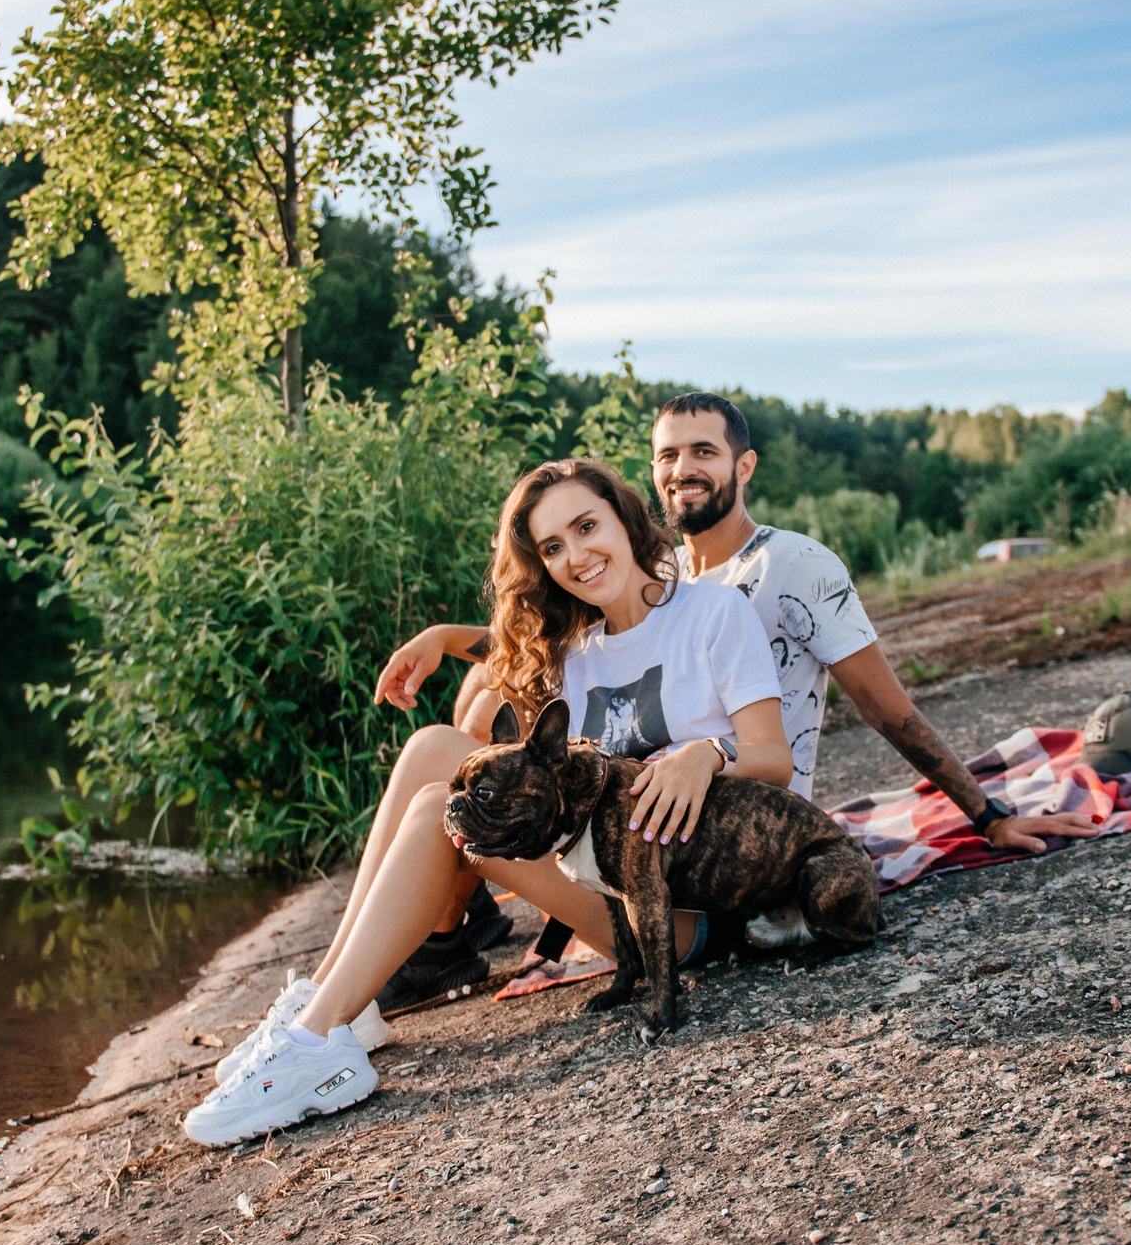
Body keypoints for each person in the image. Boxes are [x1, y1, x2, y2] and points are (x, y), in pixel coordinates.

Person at [372, 392, 1100, 999]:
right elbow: (561, 633)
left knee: (454, 746)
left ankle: (431, 940)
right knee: (475, 700)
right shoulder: (665, 571)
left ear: (743, 466)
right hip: (643, 818)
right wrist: (444, 636)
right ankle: (440, 934)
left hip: (734, 828)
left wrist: (988, 815)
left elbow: (886, 708)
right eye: (667, 456)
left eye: (703, 453)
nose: (683, 469)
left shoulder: (791, 567)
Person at [182, 457, 793, 1147]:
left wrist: (708, 754)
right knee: (434, 750)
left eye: (586, 527)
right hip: (608, 886)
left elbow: (775, 759)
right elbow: (502, 656)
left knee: (433, 817)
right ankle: (327, 1010)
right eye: (552, 548)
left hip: (685, 912)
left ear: (624, 518)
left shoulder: (713, 612)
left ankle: (317, 1040)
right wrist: (441, 639)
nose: (576, 557)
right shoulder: (578, 650)